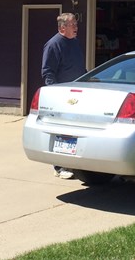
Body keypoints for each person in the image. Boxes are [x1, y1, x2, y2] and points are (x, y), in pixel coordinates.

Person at [41, 12, 86, 179]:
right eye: (72, 24)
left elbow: (78, 67)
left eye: (76, 24)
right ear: (62, 28)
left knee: (76, 130)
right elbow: (48, 72)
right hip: (62, 95)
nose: (76, 27)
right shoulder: (53, 45)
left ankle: (73, 164)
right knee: (62, 131)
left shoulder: (75, 43)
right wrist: (55, 94)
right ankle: (59, 167)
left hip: (77, 93)